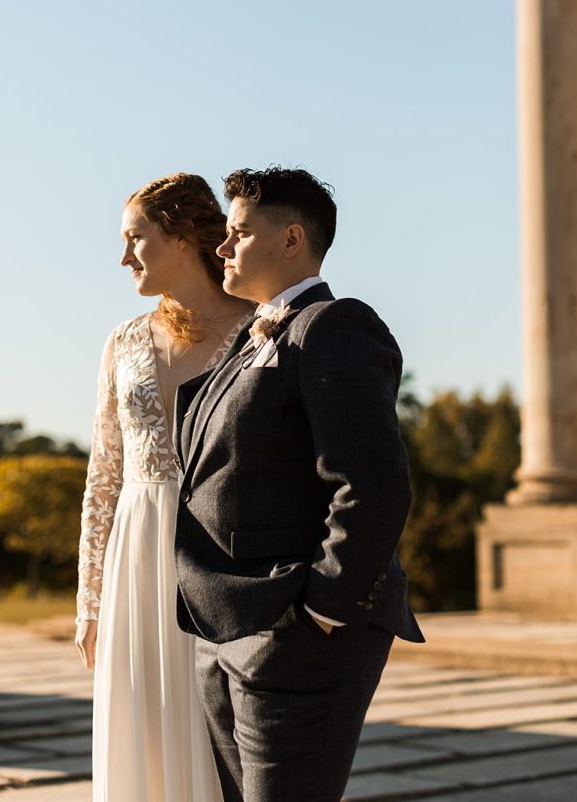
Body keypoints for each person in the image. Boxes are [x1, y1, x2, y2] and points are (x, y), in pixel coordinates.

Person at [173, 166, 424, 802]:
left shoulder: (335, 326)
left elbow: (372, 482)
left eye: (237, 233)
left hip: (295, 632)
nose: (222, 248)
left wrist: (321, 610)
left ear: (290, 240)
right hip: (225, 627)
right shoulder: (244, 342)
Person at [75, 173, 251, 802]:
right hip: (137, 552)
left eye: (135, 239)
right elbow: (105, 476)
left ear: (179, 237)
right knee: (143, 725)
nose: (124, 258)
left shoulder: (262, 331)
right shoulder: (122, 342)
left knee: (222, 733)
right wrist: (90, 599)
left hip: (224, 548)